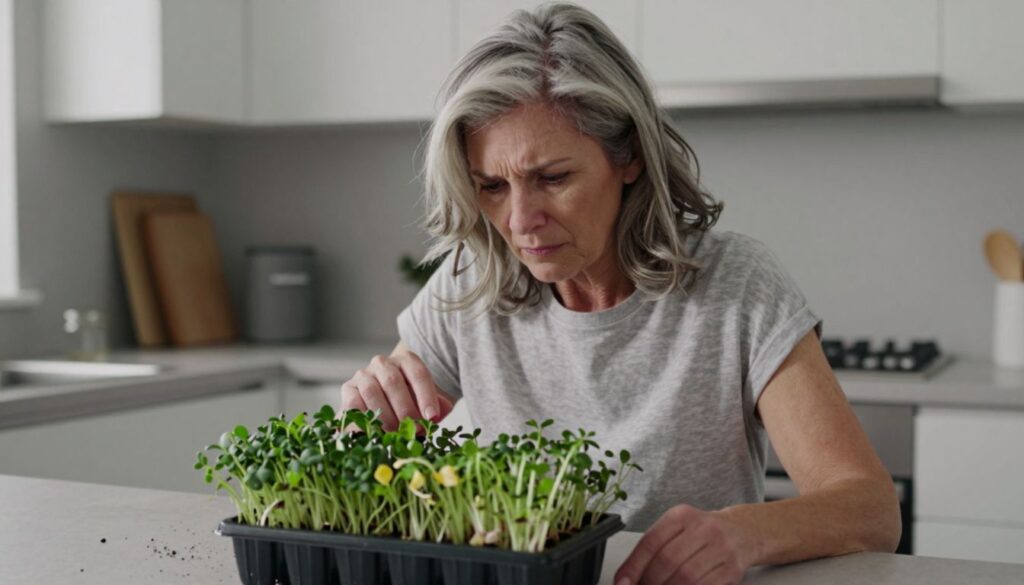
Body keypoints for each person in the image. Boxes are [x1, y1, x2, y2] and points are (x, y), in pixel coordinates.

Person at [341, 3, 900, 583]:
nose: (520, 220)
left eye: (552, 178)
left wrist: (742, 533)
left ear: (628, 154)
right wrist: (363, 415)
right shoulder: (469, 282)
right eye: (491, 186)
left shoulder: (736, 284)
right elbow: (372, 445)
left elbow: (869, 508)